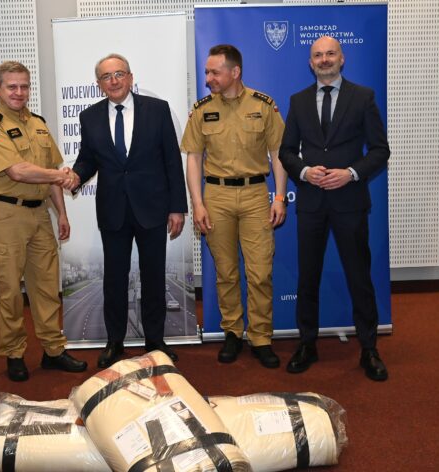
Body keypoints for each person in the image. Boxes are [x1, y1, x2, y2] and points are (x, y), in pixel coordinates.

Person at [279, 36, 391, 381]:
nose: (324, 59)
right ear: (310, 63)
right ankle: (307, 344)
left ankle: (369, 349)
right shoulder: (298, 101)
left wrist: (351, 173)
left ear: (342, 59)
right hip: (311, 203)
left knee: (359, 277)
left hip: (349, 202)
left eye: (330, 54)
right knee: (307, 277)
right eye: (318, 55)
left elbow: (380, 150)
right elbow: (286, 152)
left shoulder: (363, 97)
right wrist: (304, 172)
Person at [69, 54, 188, 369]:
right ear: (99, 84)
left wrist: (178, 207)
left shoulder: (158, 110)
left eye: (119, 74)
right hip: (113, 210)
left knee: (154, 277)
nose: (114, 81)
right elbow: (88, 159)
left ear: (131, 77)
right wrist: (75, 176)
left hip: (153, 208)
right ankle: (115, 341)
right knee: (114, 280)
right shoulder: (89, 116)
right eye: (106, 77)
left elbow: (172, 161)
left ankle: (155, 341)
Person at [0, 61, 88, 382]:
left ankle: (53, 350)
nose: (19, 92)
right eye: (11, 86)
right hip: (7, 216)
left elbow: (51, 171)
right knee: (10, 290)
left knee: (47, 287)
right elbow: (18, 171)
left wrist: (62, 213)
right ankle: (14, 353)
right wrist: (61, 175)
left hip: (40, 215)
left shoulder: (38, 124)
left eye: (24, 86)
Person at [181, 44, 287, 369]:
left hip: (255, 195)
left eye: (214, 72)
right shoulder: (202, 110)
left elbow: (278, 154)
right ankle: (232, 332)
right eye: (207, 72)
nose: (208, 78)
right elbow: (193, 159)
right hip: (217, 196)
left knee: (260, 272)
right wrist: (197, 204)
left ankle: (261, 337)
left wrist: (280, 197)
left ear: (235, 72)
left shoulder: (263, 105)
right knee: (225, 272)